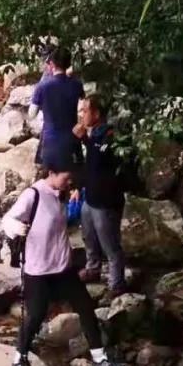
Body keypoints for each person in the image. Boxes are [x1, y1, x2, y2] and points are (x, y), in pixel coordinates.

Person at [2, 162, 127, 366]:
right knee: (35, 315)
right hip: (38, 271)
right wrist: (17, 227)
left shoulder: (61, 193)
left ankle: (99, 358)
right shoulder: (33, 195)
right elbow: (7, 220)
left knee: (86, 307)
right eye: (67, 178)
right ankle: (19, 358)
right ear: (51, 172)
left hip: (63, 268)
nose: (70, 182)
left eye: (71, 179)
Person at [73, 94, 129, 296]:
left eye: (85, 110)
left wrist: (84, 139)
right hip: (90, 197)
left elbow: (101, 160)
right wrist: (78, 187)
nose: (81, 115)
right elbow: (87, 165)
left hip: (106, 201)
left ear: (96, 114)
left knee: (110, 244)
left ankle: (117, 284)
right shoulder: (93, 134)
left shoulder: (110, 135)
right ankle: (93, 268)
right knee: (89, 238)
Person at [29, 47, 85, 173]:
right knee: (73, 178)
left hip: (50, 142)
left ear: (52, 64)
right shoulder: (77, 84)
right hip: (72, 140)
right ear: (69, 64)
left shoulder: (42, 86)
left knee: (51, 177)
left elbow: (31, 114)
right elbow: (83, 106)